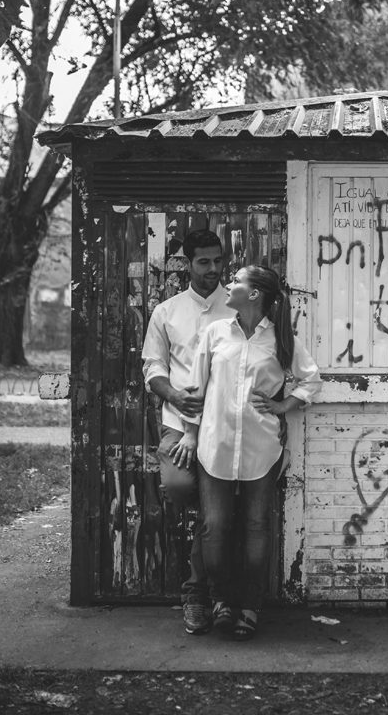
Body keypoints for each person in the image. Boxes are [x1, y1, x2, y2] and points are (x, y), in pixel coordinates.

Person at [179, 265, 322, 641]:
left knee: (258, 529)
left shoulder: (280, 340)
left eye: (237, 281)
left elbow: (311, 379)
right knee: (215, 528)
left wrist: (284, 405)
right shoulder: (214, 333)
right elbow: (195, 391)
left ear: (255, 293)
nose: (228, 284)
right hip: (216, 446)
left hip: (261, 449)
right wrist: (191, 436)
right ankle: (220, 601)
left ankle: (250, 607)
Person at [141, 229, 232, 635]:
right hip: (178, 425)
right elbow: (152, 368)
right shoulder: (166, 312)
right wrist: (175, 397)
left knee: (214, 519)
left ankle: (199, 596)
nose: (213, 269)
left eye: (218, 261)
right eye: (204, 262)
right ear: (187, 263)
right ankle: (217, 519)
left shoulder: (238, 309)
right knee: (179, 488)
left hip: (226, 429)